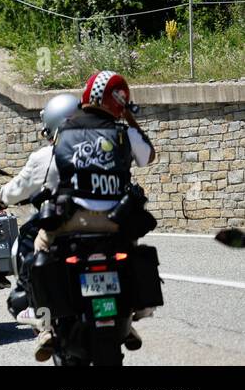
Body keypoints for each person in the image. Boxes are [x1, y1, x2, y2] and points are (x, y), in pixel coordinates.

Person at [19, 71, 157, 361]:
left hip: (73, 221)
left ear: (88, 96)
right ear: (121, 102)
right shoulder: (124, 133)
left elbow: (53, 178)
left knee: (39, 248)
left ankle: (45, 328)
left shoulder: (65, 132)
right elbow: (148, 157)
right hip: (115, 223)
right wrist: (130, 119)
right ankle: (133, 316)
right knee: (131, 251)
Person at [0, 93, 79, 208]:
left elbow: (20, 187)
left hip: (70, 222)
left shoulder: (46, 156)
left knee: (29, 226)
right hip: (105, 220)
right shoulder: (103, 152)